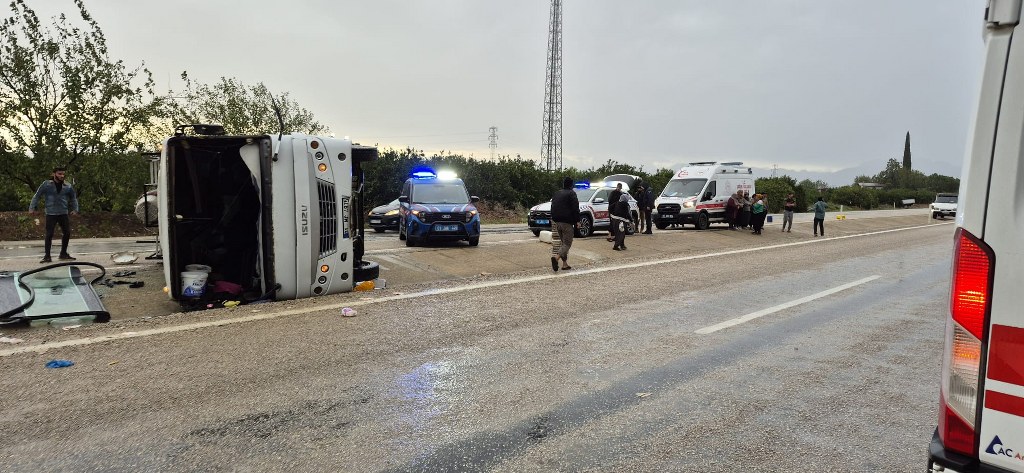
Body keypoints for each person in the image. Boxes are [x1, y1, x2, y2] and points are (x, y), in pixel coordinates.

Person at [29, 167, 79, 263]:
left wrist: (75, 209)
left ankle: (63, 253)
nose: (62, 176)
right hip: (51, 213)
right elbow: (37, 196)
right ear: (54, 174)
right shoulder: (46, 184)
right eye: (59, 174)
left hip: (63, 212)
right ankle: (47, 256)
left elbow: (73, 198)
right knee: (49, 234)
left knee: (67, 232)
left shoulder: (67, 186)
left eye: (63, 174)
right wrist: (31, 208)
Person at [549, 176, 580, 271]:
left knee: (563, 244)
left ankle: (565, 264)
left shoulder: (557, 193)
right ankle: (556, 258)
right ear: (571, 185)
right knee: (567, 244)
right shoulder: (571, 193)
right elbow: (575, 208)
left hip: (557, 222)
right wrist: (577, 221)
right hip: (567, 223)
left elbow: (552, 207)